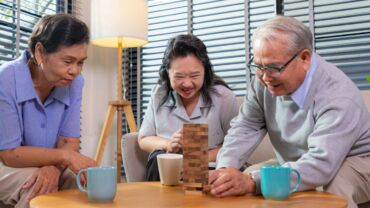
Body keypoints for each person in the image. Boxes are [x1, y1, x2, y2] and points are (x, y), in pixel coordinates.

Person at [209, 16, 370, 208]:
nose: (265, 77)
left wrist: (252, 182)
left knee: (328, 192)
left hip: (353, 160)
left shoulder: (337, 95)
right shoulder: (262, 79)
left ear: (304, 58)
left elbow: (321, 165)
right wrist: (225, 169)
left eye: (273, 67)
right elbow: (246, 126)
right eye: (258, 66)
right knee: (242, 180)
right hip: (300, 159)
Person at [0, 14, 97, 208]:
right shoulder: (6, 79)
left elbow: (69, 142)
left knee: (87, 183)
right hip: (6, 164)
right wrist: (64, 158)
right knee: (38, 188)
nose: (75, 71)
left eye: (80, 62)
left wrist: (53, 167)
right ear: (40, 52)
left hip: (51, 161)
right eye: (68, 61)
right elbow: (9, 154)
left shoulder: (75, 83)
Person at [138, 34, 239, 179]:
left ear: (205, 71)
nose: (187, 84)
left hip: (211, 167)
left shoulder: (223, 97)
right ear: (167, 73)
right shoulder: (159, 94)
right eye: (179, 76)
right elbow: (143, 139)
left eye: (194, 75)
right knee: (157, 159)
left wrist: (198, 159)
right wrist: (168, 144)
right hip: (167, 171)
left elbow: (236, 144)